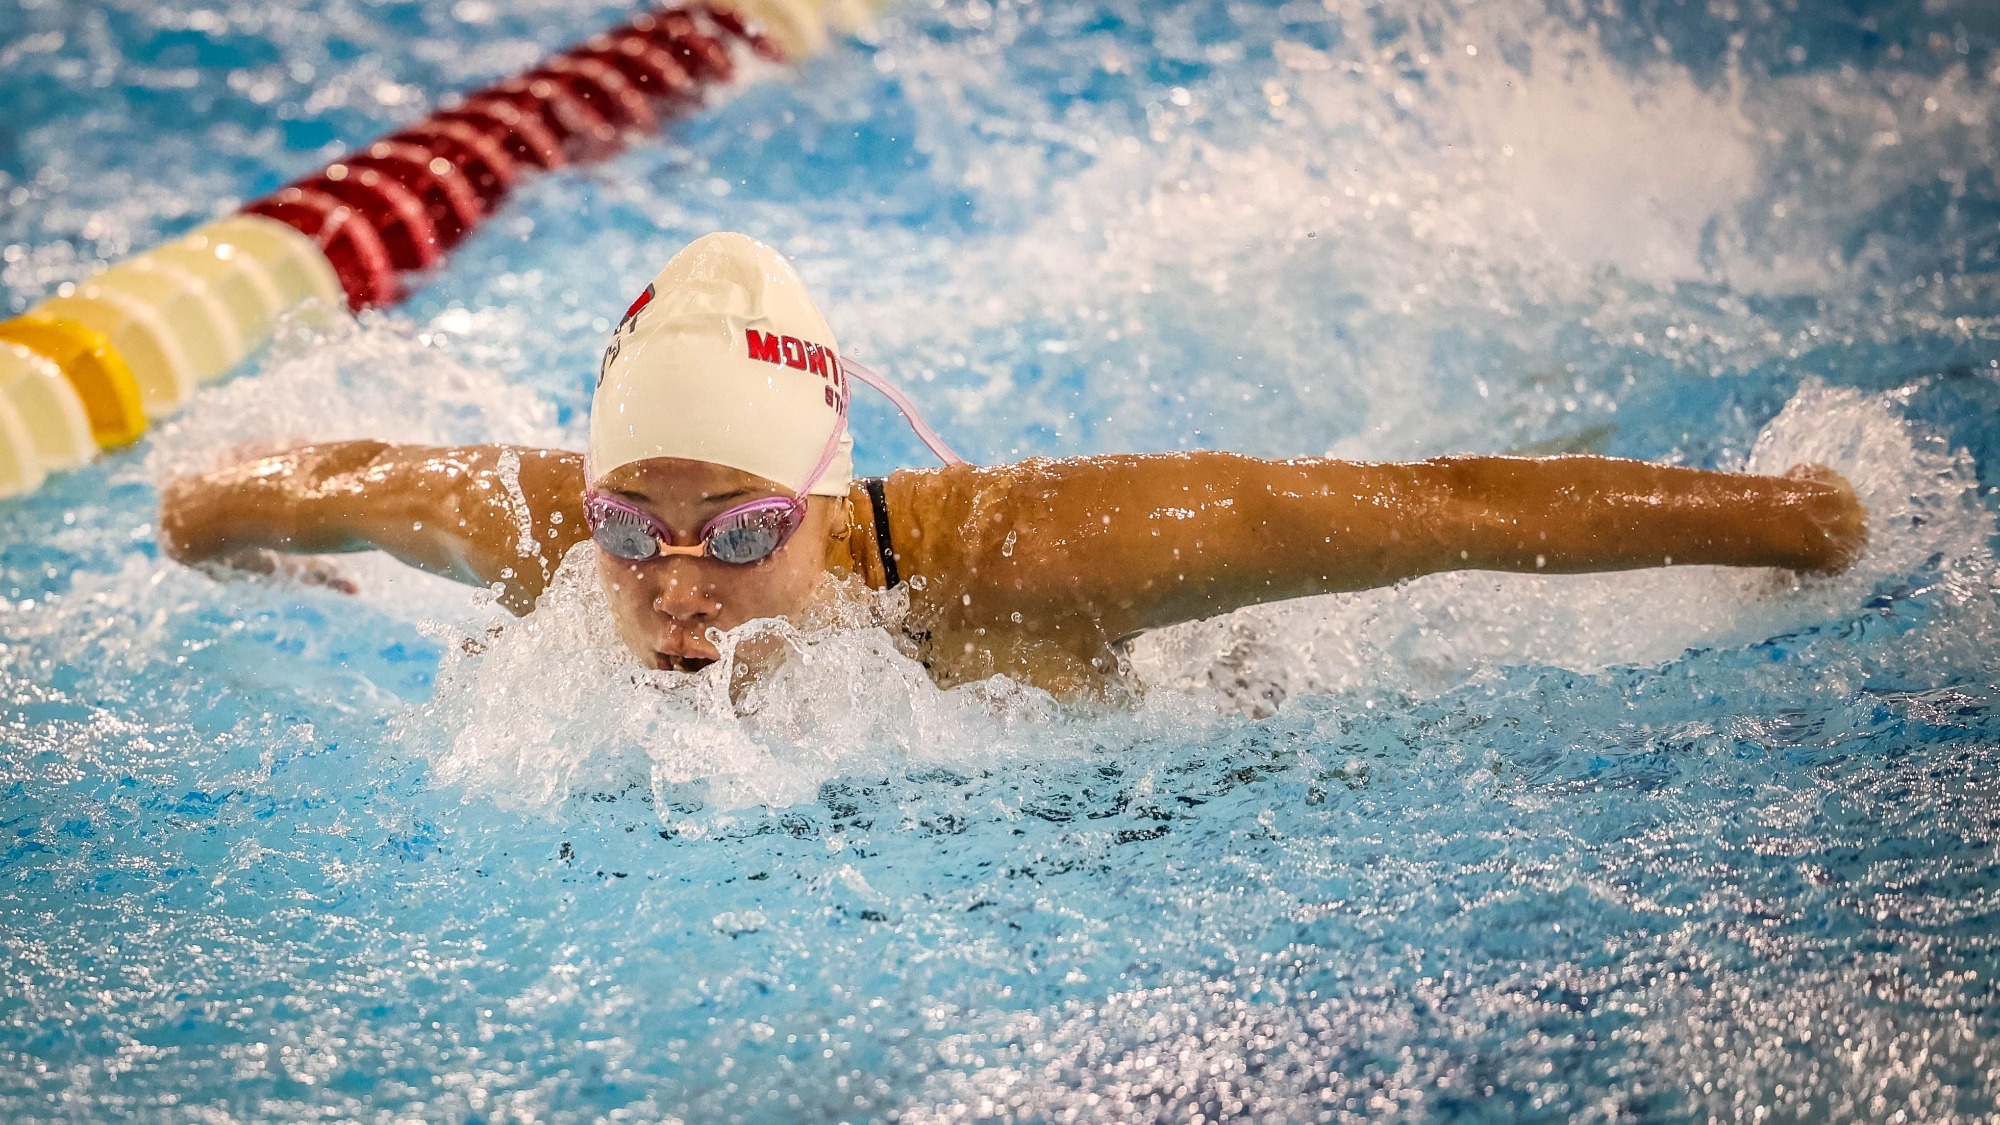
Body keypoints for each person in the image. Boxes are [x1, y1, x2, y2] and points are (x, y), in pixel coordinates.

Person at [159, 233, 1868, 698]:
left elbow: (1445, 515)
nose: (677, 581)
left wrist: (1803, 517)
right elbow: (283, 484)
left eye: (743, 525)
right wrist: (220, 525)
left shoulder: (1045, 555)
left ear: (820, 494)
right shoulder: (547, 536)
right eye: (635, 524)